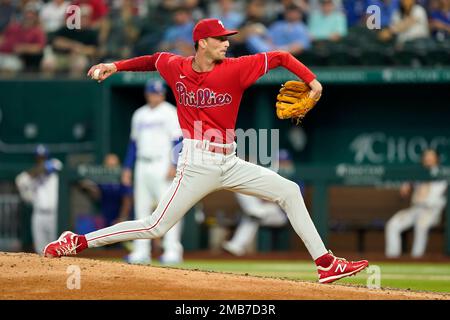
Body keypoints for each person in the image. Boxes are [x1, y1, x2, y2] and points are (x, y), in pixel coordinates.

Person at [44, 18, 368, 284]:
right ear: (202, 43)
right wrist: (115, 65)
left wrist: (312, 81)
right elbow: (152, 61)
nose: (226, 43)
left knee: (289, 191)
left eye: (227, 38)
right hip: (196, 162)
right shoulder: (176, 66)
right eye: (220, 39)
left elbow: (282, 57)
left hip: (229, 160)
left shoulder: (237, 68)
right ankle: (78, 240)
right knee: (155, 226)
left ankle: (325, 263)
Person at [121, 79, 184, 265]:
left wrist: (174, 164)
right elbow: (133, 143)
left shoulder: (170, 112)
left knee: (169, 209)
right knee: (141, 209)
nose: (157, 95)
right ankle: (141, 251)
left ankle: (173, 250)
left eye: (159, 92)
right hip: (142, 164)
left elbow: (177, 140)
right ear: (147, 94)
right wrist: (127, 167)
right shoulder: (139, 114)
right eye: (153, 92)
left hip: (162, 163)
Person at [385, 149, 448, 258]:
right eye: (426, 156)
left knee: (421, 225)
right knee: (392, 224)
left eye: (431, 156)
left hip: (432, 211)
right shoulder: (418, 173)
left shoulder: (443, 173)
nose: (428, 159)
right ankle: (392, 258)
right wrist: (406, 186)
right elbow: (406, 186)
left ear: (436, 159)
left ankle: (416, 259)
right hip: (415, 209)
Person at [15, 144, 62, 254]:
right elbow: (19, 180)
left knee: (56, 247)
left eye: (43, 157)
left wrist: (33, 173)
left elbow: (50, 167)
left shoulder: (55, 163)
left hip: (53, 214)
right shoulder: (31, 176)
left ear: (47, 156)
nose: (41, 159)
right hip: (38, 214)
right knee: (40, 249)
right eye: (39, 157)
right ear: (35, 158)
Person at [78, 153, 132, 228]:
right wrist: (90, 187)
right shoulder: (103, 181)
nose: (111, 169)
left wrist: (121, 218)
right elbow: (98, 196)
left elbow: (127, 201)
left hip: (123, 222)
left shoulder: (123, 182)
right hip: (105, 220)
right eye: (108, 166)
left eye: (113, 166)